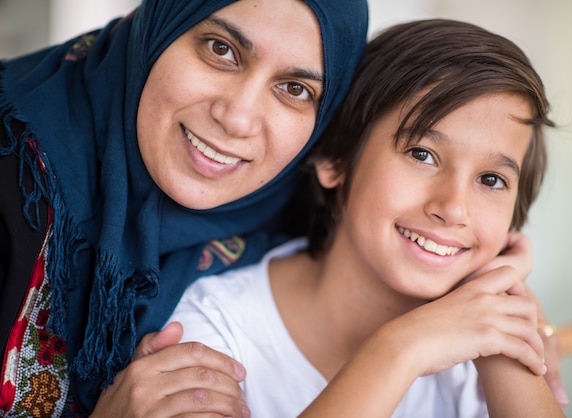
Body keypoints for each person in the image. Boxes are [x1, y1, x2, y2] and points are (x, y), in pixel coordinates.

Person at [167, 19, 565, 417]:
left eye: (491, 179)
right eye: (421, 154)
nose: (454, 208)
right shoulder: (211, 331)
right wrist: (401, 348)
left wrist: (504, 328)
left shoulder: (481, 349)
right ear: (335, 158)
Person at [0, 0, 368, 416]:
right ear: (159, 29)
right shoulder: (12, 163)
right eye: (221, 48)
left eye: (295, 89)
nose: (237, 118)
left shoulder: (299, 225)